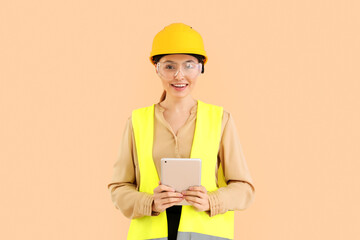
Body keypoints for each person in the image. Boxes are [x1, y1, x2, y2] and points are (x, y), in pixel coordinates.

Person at [108, 23, 255, 240]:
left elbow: (244, 188)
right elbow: (118, 188)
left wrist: (211, 201)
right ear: (157, 69)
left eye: (189, 65)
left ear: (201, 68)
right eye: (169, 66)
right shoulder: (137, 121)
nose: (179, 76)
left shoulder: (220, 119)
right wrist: (150, 203)